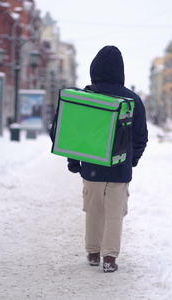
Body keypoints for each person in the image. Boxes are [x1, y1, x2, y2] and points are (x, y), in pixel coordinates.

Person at [66, 46, 148, 273]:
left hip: (92, 167)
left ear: (95, 70)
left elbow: (75, 134)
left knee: (94, 211)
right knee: (114, 214)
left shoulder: (87, 97)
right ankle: (109, 258)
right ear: (121, 72)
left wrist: (74, 160)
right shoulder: (133, 100)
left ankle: (93, 253)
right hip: (120, 169)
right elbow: (141, 136)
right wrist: (132, 159)